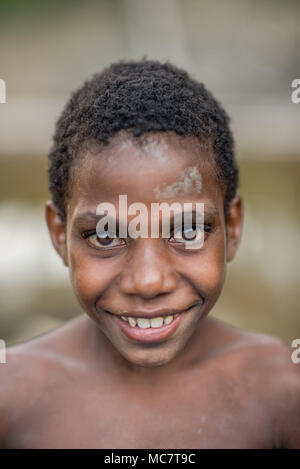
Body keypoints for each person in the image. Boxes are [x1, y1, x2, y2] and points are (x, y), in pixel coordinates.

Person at [1, 60, 299, 449]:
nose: (147, 281)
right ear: (59, 235)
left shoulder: (282, 392)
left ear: (233, 226)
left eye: (187, 231)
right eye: (106, 236)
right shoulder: (13, 397)